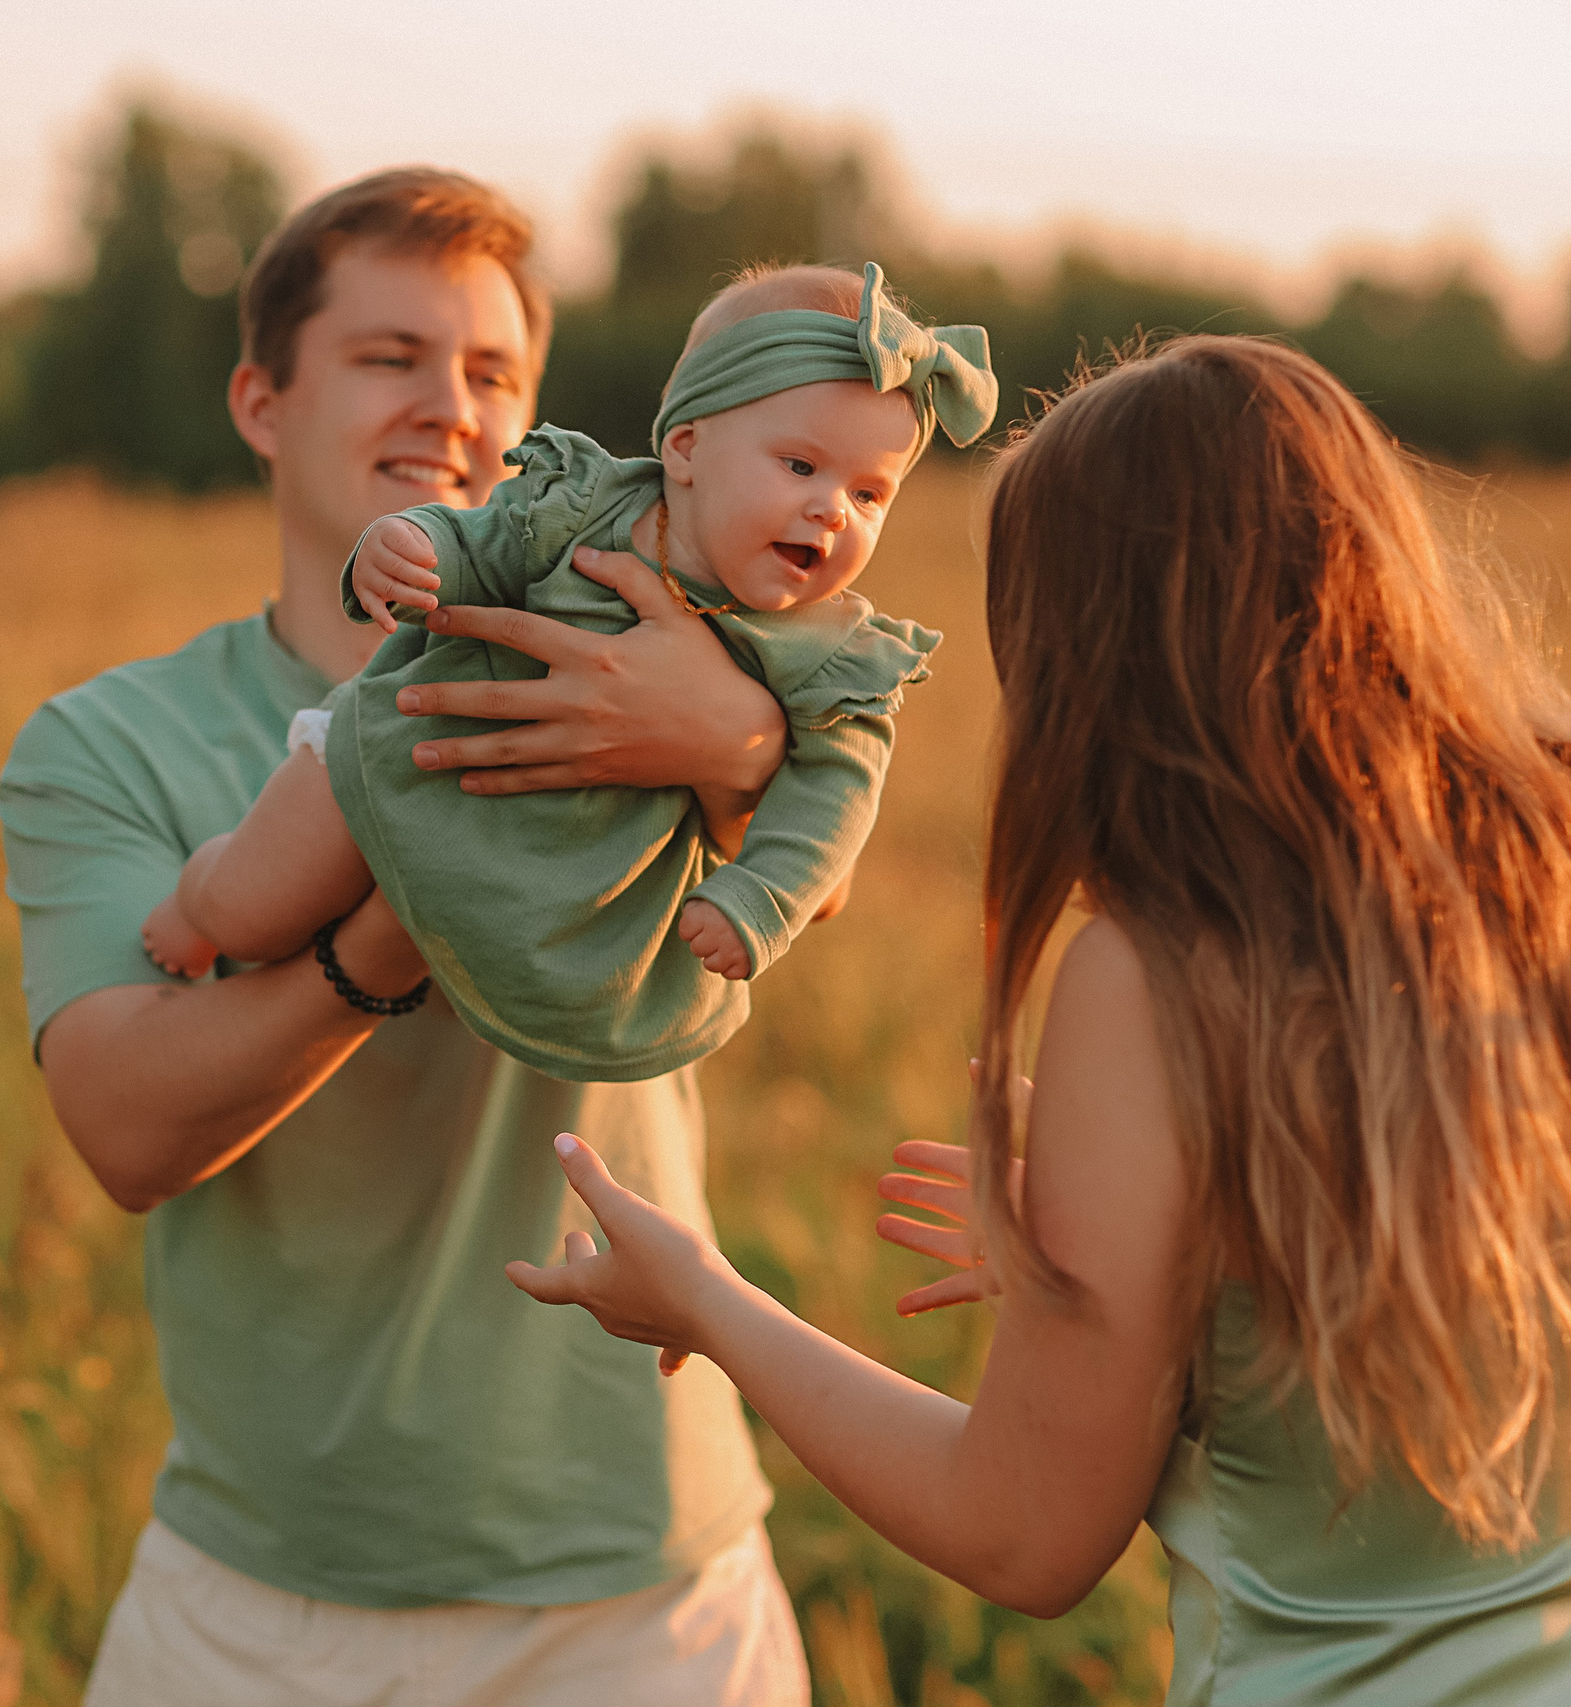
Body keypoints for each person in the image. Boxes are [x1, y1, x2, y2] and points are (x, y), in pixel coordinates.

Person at [509, 335, 1571, 1703]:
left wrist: (707, 1300)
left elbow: (1020, 1529)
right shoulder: (1538, 846)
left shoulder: (1160, 976)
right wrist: (1142, 1258)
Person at [0, 169, 813, 1703]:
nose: (453, 405)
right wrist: (404, 920)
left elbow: (809, 876)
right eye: (391, 356)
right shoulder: (108, 741)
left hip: (645, 1589)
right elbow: (124, 1124)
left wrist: (744, 744)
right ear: (261, 400)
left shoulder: (674, 658)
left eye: (494, 371)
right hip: (266, 1602)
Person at [141, 262, 994, 1081]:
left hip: (564, 861)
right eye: (801, 466)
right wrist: (411, 546)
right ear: (688, 448)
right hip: (405, 748)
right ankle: (196, 901)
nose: (831, 508)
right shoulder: (590, 505)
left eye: (871, 494)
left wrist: (761, 898)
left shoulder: (832, 651)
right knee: (252, 904)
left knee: (581, 986)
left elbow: (839, 796)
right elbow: (483, 540)